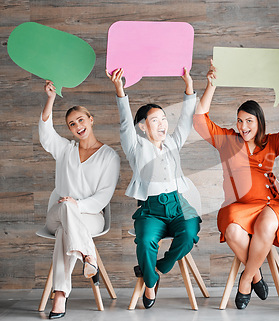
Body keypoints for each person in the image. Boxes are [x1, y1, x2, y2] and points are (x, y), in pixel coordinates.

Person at [193, 61, 279, 309]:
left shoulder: (271, 143)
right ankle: (256, 275)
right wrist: (211, 86)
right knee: (231, 230)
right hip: (239, 206)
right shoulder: (228, 141)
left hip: (270, 204)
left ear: (259, 122)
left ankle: (244, 281)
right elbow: (200, 121)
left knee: (267, 223)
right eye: (240, 121)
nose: (243, 127)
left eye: (249, 121)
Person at [107, 67, 202, 310]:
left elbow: (185, 119)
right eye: (154, 120)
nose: (162, 124)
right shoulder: (135, 146)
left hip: (179, 204)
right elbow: (125, 123)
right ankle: (150, 283)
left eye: (163, 118)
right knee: (146, 239)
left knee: (189, 234)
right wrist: (120, 90)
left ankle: (160, 267)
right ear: (142, 126)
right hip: (151, 209)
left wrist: (189, 87)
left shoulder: (173, 142)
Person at [40, 81, 120, 319]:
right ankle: (88, 256)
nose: (77, 126)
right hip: (58, 214)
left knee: (65, 233)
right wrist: (51, 99)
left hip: (91, 217)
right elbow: (45, 135)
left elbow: (103, 197)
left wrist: (78, 205)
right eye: (72, 124)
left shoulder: (109, 156)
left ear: (91, 119)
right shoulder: (65, 149)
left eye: (81, 120)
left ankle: (60, 297)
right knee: (65, 207)